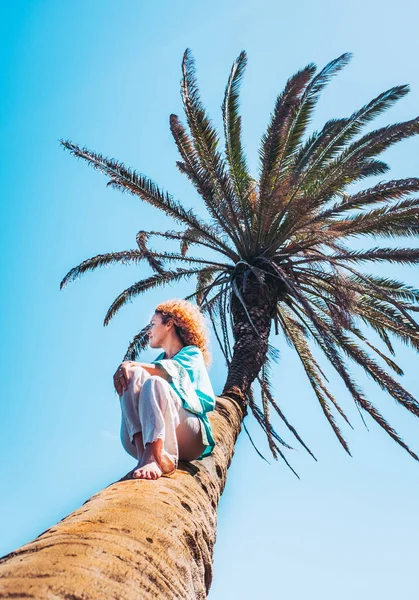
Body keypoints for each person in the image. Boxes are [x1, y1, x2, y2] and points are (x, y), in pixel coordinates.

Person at [113, 298, 216, 480]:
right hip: (139, 440)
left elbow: (173, 371)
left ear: (169, 323)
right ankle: (144, 454)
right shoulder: (151, 366)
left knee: (153, 381)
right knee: (134, 375)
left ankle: (153, 456)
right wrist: (131, 369)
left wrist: (130, 364)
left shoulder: (191, 353)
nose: (148, 332)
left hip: (188, 435)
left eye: (153, 324)